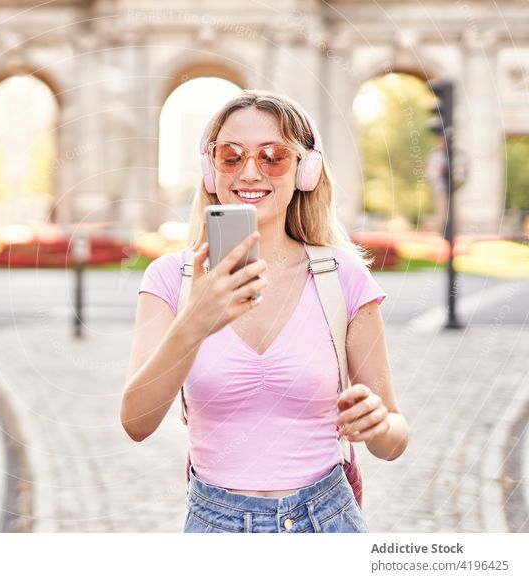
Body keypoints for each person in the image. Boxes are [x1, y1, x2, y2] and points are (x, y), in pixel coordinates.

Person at [120, 90, 409, 533]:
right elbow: (137, 423)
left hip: (328, 522)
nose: (250, 171)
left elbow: (393, 440)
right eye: (230, 156)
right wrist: (195, 322)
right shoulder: (168, 280)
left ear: (304, 170)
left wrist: (377, 424)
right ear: (210, 170)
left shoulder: (343, 276)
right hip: (214, 528)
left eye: (273, 156)